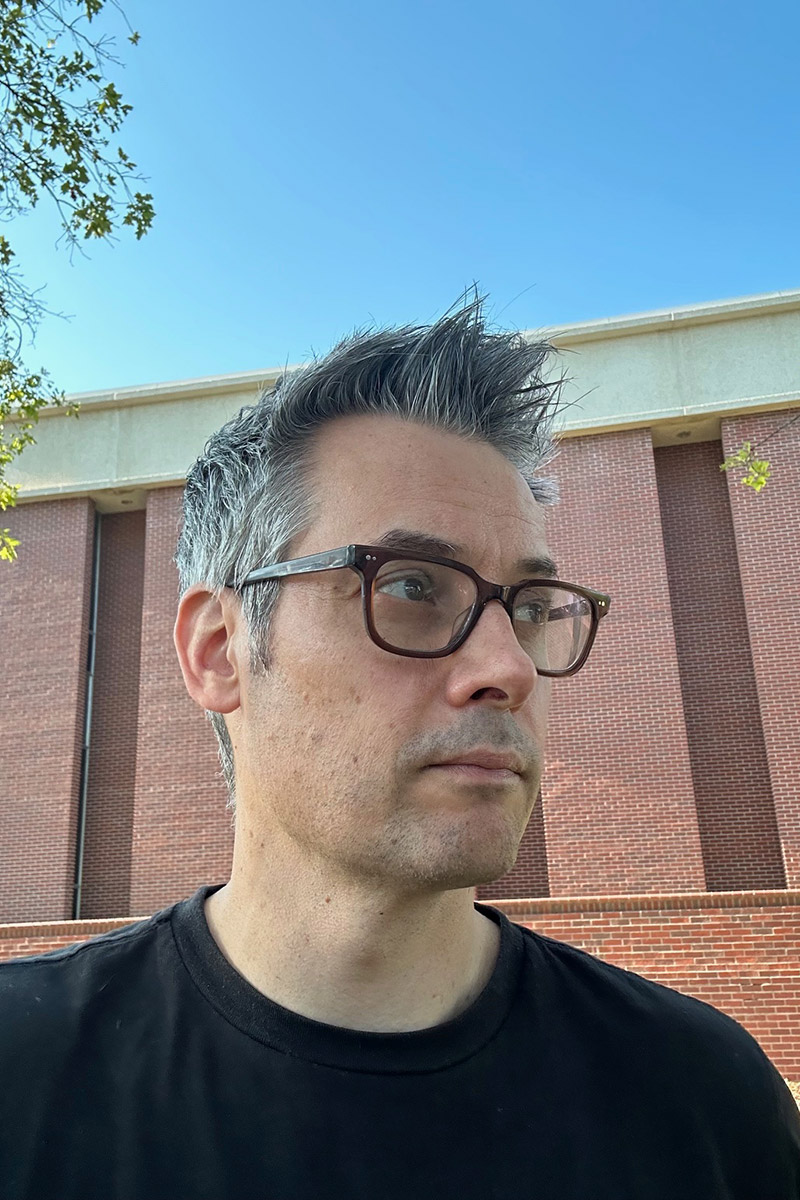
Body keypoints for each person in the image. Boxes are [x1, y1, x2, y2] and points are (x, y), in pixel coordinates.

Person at [1, 298, 798, 1200]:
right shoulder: (21, 1074)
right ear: (221, 652)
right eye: (412, 585)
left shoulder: (703, 1101)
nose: (508, 667)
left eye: (530, 609)